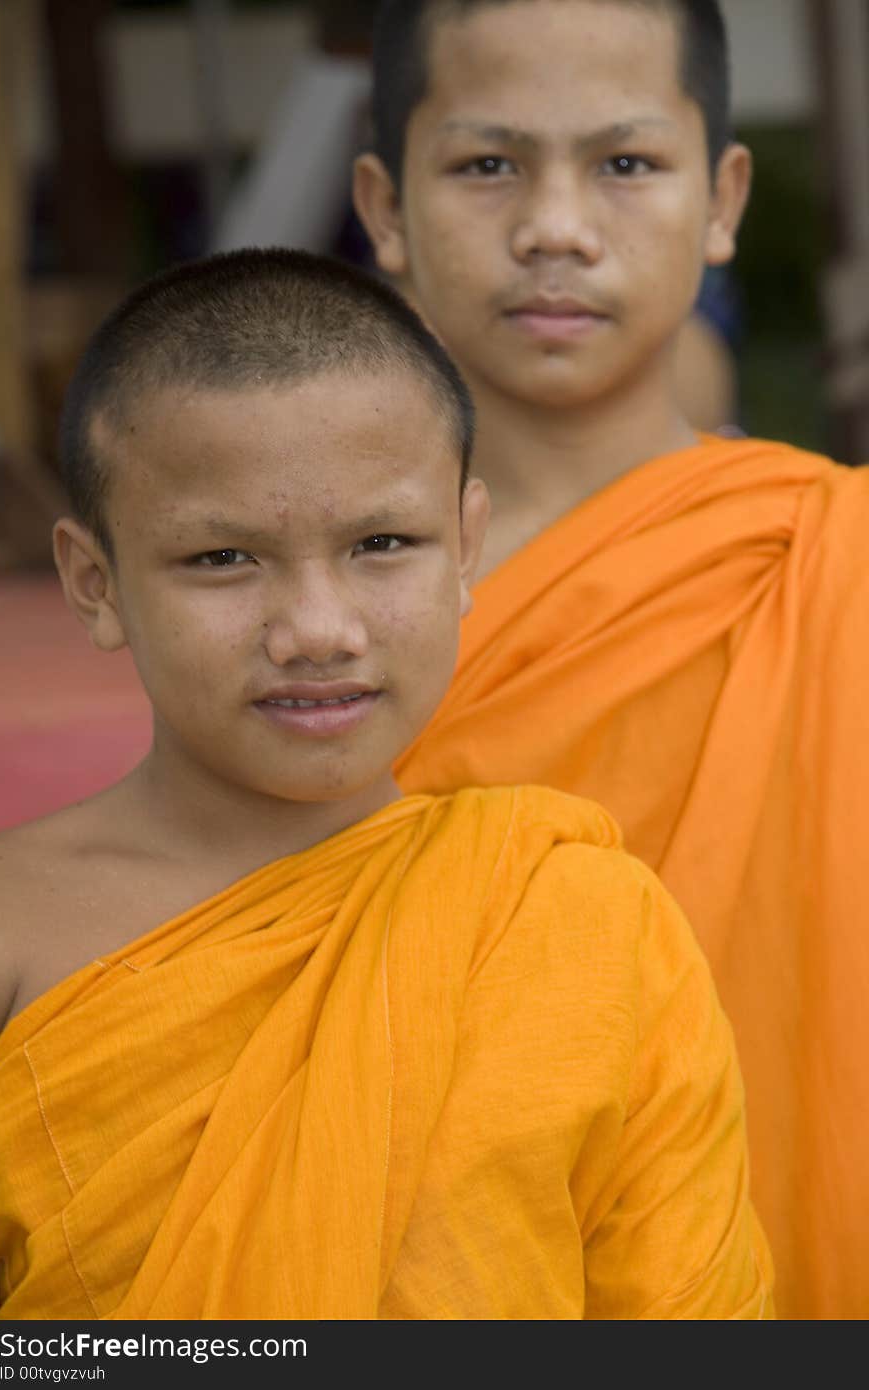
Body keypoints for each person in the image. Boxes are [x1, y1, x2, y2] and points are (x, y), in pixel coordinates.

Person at [0, 247, 774, 1321]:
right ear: (95, 582)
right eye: (223, 558)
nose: (318, 630)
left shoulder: (579, 917)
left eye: (382, 543)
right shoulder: (9, 928)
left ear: (465, 549)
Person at [352, 0, 869, 1320]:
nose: (557, 228)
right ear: (384, 204)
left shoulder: (833, 554)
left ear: (722, 198)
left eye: (626, 163)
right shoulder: (317, 604)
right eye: (487, 165)